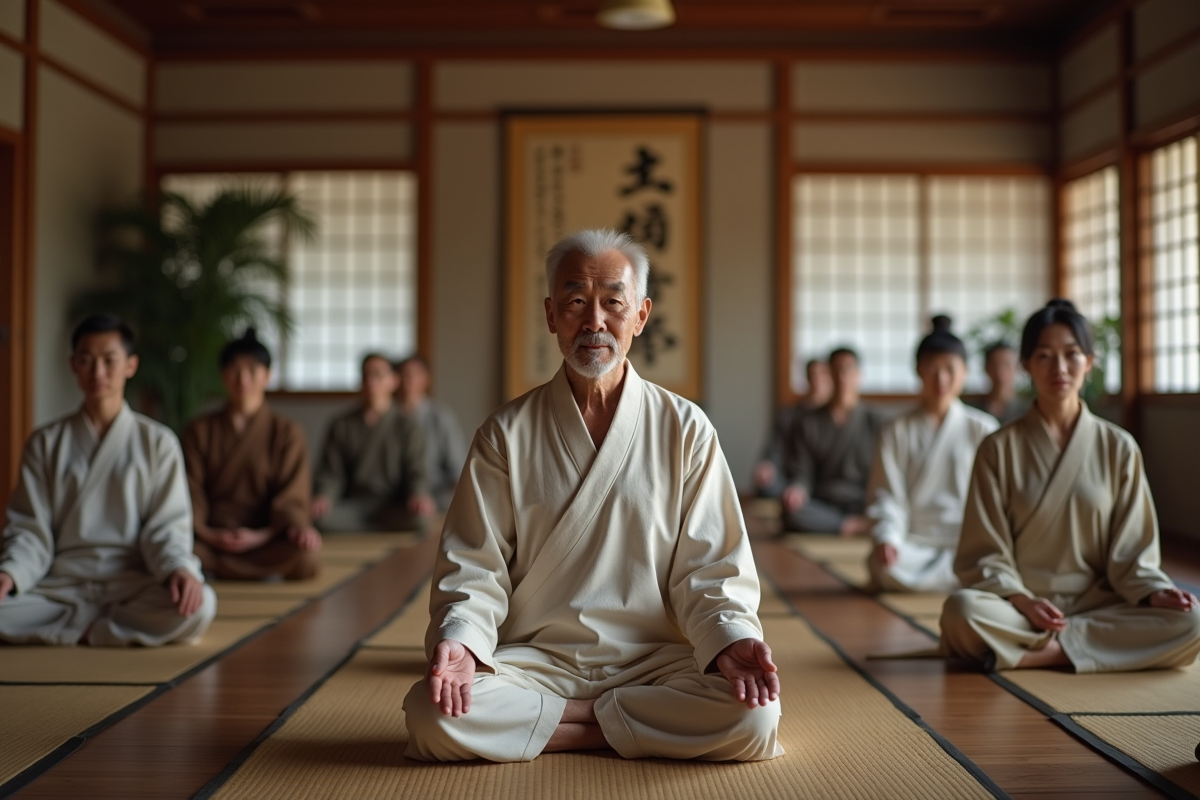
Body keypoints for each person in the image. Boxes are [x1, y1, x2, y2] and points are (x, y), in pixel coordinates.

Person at [403, 229, 781, 763]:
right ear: (551, 315)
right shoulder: (505, 433)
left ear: (641, 316)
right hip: (537, 660)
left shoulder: (686, 429)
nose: (594, 322)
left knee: (755, 716)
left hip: (655, 662)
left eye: (613, 303)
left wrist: (730, 638)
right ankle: (626, 727)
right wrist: (462, 643)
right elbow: (473, 567)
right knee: (431, 714)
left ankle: (552, 728)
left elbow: (713, 569)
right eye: (576, 302)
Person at [941, 300, 1200, 672]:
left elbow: (1134, 552)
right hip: (1020, 607)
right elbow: (984, 552)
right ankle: (1090, 648)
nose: (1059, 368)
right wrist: (1022, 600)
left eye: (1072, 354)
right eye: (1044, 356)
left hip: (1100, 602)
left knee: (1191, 621)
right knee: (961, 610)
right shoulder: (997, 448)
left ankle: (1044, 653)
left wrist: (1154, 592)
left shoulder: (1118, 447)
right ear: (1026, 365)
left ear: (1089, 362)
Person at [0, 314, 215, 646]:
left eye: (109, 360)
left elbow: (167, 528)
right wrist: (11, 573)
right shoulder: (46, 442)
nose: (97, 372)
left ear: (131, 365)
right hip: (61, 584)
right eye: (87, 360)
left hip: (133, 583)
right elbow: (30, 528)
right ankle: (103, 628)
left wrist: (178, 569)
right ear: (73, 365)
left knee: (200, 606)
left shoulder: (158, 442)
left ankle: (77, 630)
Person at [865, 316, 998, 594]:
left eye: (950, 369)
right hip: (914, 543)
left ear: (964, 372)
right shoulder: (896, 430)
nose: (941, 379)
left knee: (997, 565)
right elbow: (886, 495)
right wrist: (888, 539)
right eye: (932, 369)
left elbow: (997, 499)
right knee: (884, 566)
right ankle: (962, 578)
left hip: (967, 542)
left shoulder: (983, 428)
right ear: (918, 371)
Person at [183, 329, 321, 581]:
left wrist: (264, 535)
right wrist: (209, 533)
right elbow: (191, 491)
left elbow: (291, 496)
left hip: (265, 536)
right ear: (223, 375)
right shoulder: (199, 430)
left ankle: (217, 570)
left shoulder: (286, 432)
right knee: (174, 551)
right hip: (211, 537)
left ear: (267, 376)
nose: (243, 379)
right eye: (234, 370)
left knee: (306, 557)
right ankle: (243, 570)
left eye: (252, 370)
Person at [312, 354, 435, 533]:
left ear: (393, 381)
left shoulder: (407, 425)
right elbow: (331, 472)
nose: (371, 381)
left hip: (392, 506)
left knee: (420, 519)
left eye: (378, 375)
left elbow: (417, 471)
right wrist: (324, 496)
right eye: (366, 376)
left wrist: (419, 495)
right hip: (353, 506)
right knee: (318, 519)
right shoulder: (342, 424)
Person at [780, 348, 882, 536]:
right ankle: (850, 526)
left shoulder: (876, 421)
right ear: (828, 375)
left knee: (894, 515)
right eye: (836, 370)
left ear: (859, 375)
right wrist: (797, 490)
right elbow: (801, 472)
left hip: (863, 502)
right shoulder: (808, 422)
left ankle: (842, 525)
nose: (842, 377)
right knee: (791, 512)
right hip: (823, 501)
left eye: (848, 370)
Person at [396, 355, 467, 511]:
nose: (408, 380)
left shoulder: (441, 417)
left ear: (426, 379)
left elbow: (457, 468)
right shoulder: (390, 417)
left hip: (435, 492)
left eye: (414, 374)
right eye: (403, 374)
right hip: (395, 493)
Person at [753, 359, 832, 497]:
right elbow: (775, 449)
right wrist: (769, 465)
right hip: (791, 477)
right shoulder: (789, 416)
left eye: (822, 375)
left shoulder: (835, 418)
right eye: (812, 375)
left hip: (825, 480)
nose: (817, 380)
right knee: (767, 484)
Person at [968, 342, 1029, 425]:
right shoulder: (973, 411)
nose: (1000, 371)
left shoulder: (1028, 411)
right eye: (995, 365)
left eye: (1006, 365)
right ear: (986, 368)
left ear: (1016, 368)